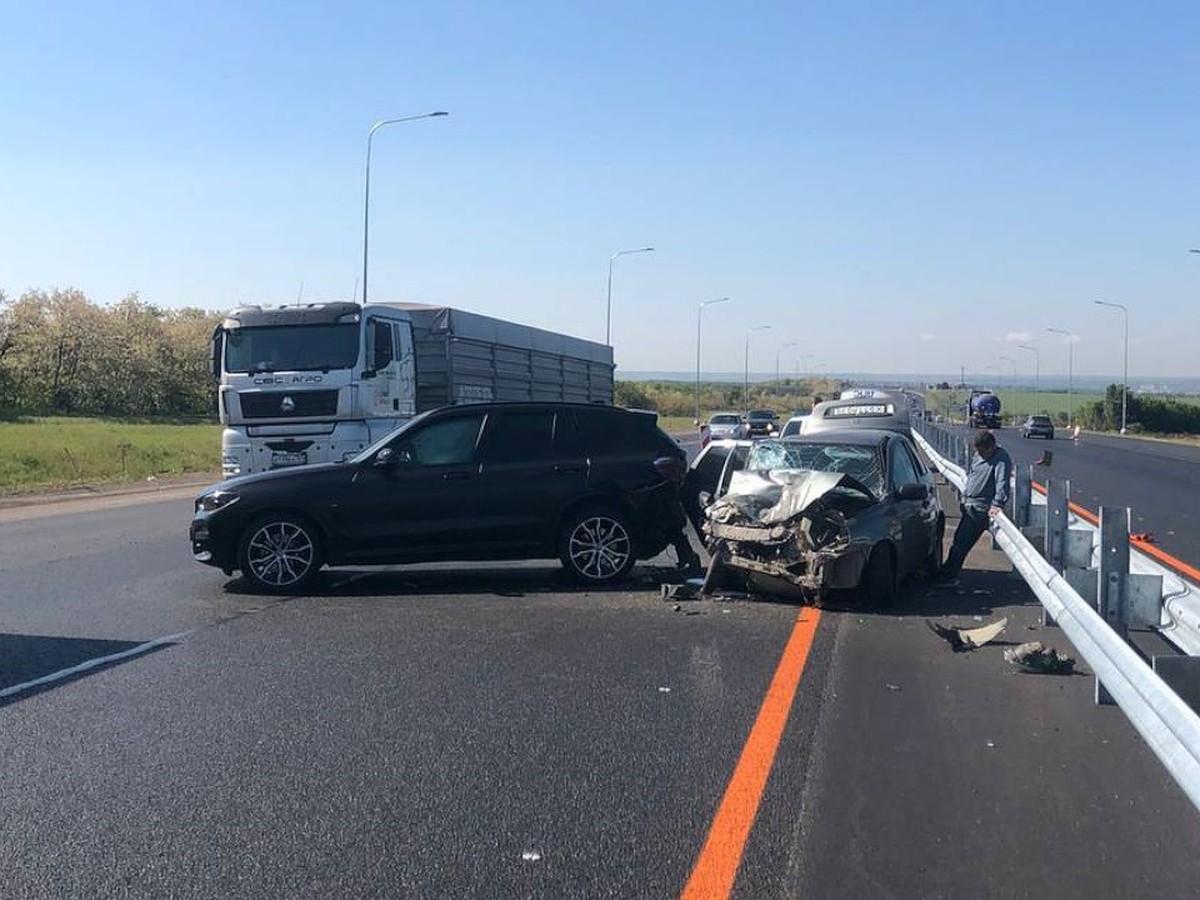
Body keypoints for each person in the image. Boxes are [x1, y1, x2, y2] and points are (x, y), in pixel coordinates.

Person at [934, 429, 1012, 586]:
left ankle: (947, 576)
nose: (980, 454)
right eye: (978, 451)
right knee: (959, 542)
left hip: (980, 508)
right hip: (970, 504)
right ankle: (947, 574)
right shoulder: (978, 455)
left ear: (991, 447)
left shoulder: (1001, 458)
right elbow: (973, 475)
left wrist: (997, 504)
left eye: (983, 451)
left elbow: (1002, 483)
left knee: (961, 543)